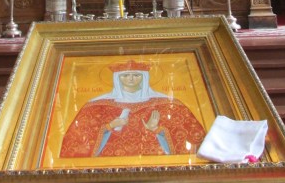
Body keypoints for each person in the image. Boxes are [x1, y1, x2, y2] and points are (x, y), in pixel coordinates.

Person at [59, 59, 205, 158]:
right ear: (117, 78)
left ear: (144, 77)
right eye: (125, 75)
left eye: (136, 75)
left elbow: (192, 138)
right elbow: (76, 143)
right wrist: (109, 126)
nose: (130, 79)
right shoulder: (96, 105)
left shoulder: (167, 104)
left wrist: (156, 129)